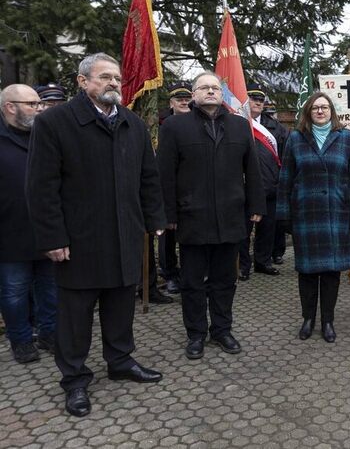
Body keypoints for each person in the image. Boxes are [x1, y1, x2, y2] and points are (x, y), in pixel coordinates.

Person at [27, 53, 167, 417]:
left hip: (124, 235)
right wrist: (52, 238)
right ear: (82, 81)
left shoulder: (132, 124)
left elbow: (148, 178)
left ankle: (120, 361)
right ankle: (75, 379)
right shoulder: (55, 123)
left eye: (117, 79)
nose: (113, 84)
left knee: (121, 307)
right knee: (75, 317)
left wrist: (155, 219)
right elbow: (42, 187)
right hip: (79, 241)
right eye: (104, 77)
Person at [158, 71, 264, 360]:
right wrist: (167, 214)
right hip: (192, 216)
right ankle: (196, 334)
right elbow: (164, 174)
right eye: (203, 88)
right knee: (192, 282)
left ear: (222, 94)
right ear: (193, 95)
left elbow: (251, 169)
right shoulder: (175, 127)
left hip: (230, 216)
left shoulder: (241, 127)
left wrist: (256, 206)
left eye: (214, 88)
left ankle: (222, 329)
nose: (209, 92)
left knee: (224, 280)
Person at [276, 92, 350, 343]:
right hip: (306, 215)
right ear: (308, 112)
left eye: (325, 107)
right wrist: (283, 214)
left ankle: (327, 321)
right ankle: (308, 319)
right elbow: (285, 180)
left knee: (330, 272)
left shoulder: (347, 138)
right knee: (306, 272)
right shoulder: (295, 138)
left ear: (331, 112)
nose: (320, 111)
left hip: (336, 213)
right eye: (315, 108)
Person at [0, 85, 56, 364]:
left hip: (47, 230)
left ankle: (49, 334)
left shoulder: (45, 135)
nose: (39, 108)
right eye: (32, 104)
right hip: (9, 235)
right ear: (11, 106)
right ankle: (21, 340)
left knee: (51, 288)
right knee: (13, 293)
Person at [238, 86, 280, 279]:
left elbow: (285, 154)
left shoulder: (275, 127)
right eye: (253, 99)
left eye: (260, 100)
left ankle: (263, 262)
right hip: (245, 188)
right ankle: (243, 266)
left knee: (267, 229)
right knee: (244, 232)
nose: (257, 103)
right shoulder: (237, 123)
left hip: (270, 187)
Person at [156, 83, 193, 294]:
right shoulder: (161, 125)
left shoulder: (197, 122)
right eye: (179, 99)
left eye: (187, 98)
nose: (184, 102)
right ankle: (169, 273)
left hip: (191, 189)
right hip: (168, 187)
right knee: (168, 235)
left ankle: (189, 272)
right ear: (171, 102)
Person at [258, 91, 290, 266]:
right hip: (251, 185)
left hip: (273, 184)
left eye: (272, 113)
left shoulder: (280, 130)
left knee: (273, 226)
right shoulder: (245, 124)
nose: (271, 116)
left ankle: (273, 255)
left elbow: (285, 157)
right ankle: (246, 264)